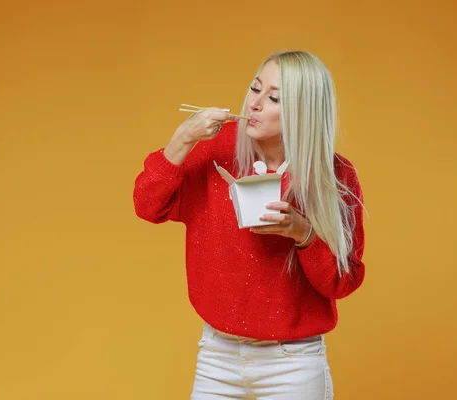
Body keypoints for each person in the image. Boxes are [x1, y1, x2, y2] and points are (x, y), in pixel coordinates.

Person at [133, 50, 366, 399]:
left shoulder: (334, 177)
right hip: (216, 354)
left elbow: (343, 282)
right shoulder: (215, 150)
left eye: (273, 97)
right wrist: (182, 139)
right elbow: (147, 206)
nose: (254, 103)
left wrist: (303, 234)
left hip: (294, 362)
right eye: (254, 88)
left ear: (304, 111)